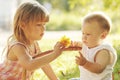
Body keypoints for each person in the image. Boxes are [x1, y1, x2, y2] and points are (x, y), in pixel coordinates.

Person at [0, 1, 65, 80]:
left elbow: (44, 64)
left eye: (44, 24)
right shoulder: (18, 46)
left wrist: (55, 79)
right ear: (23, 25)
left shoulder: (34, 44)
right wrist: (54, 54)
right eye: (38, 25)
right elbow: (29, 65)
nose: (43, 28)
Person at [69, 12, 117, 80]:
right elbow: (79, 44)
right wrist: (72, 44)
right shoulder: (88, 44)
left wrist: (85, 63)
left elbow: (99, 69)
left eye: (88, 34)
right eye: (83, 33)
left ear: (103, 35)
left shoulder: (103, 52)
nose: (84, 37)